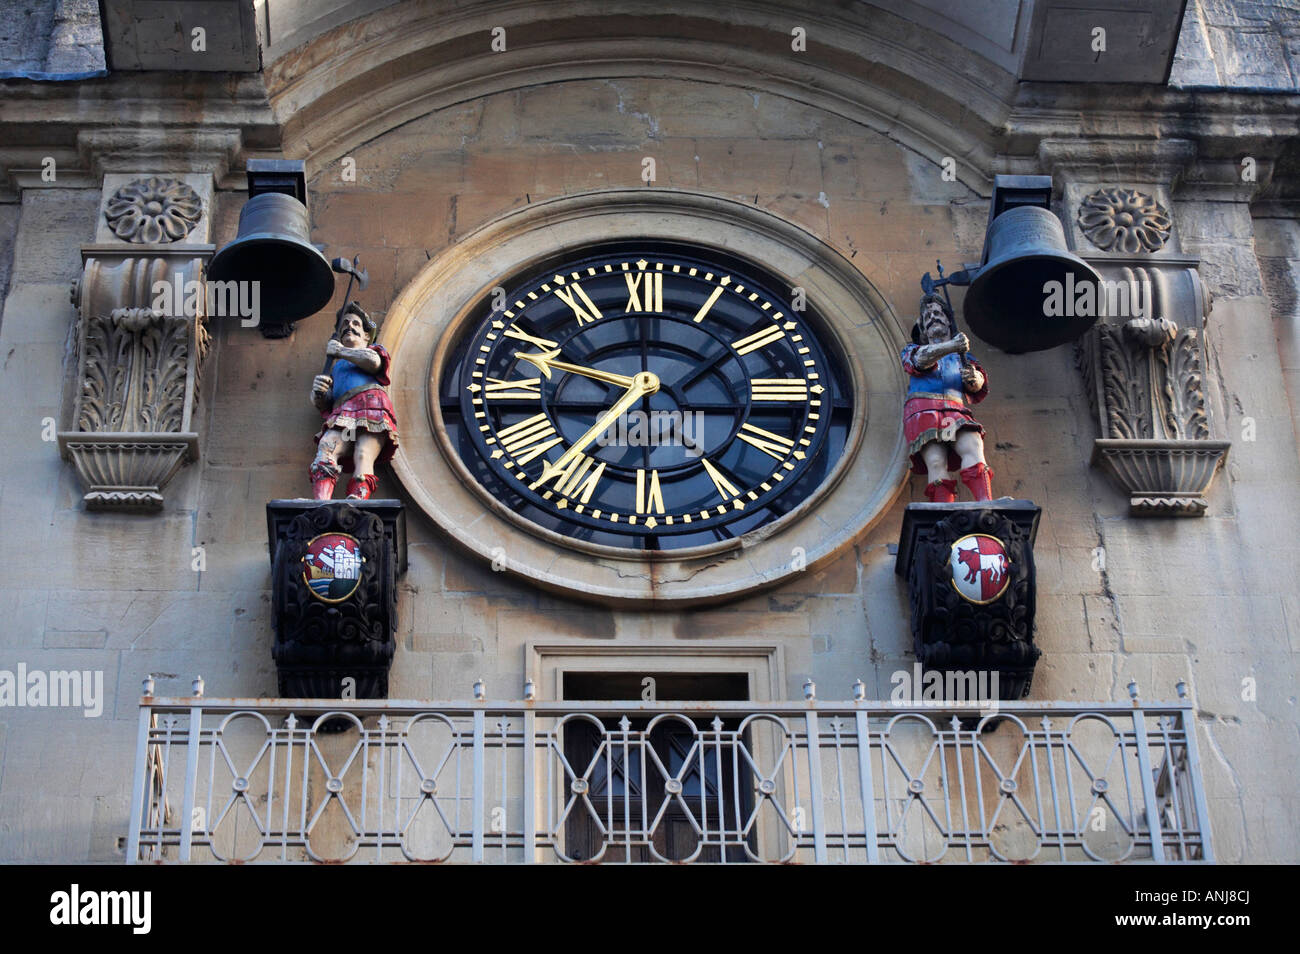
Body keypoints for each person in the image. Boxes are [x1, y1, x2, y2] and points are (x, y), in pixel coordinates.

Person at [900, 293, 993, 502]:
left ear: (948, 321)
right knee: (935, 460)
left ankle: (986, 502)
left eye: (938, 313)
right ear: (923, 329)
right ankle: (944, 507)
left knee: (972, 444)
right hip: (923, 408)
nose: (933, 317)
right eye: (928, 316)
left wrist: (974, 378)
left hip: (954, 406)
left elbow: (976, 385)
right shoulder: (913, 350)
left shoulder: (964, 357)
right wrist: (952, 346)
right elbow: (921, 362)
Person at [308, 303, 398, 500]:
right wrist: (319, 394)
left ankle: (358, 499)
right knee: (327, 447)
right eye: (345, 324)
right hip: (343, 410)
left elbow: (373, 362)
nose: (350, 326)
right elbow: (327, 401)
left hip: (370, 404)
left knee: (363, 454)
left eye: (356, 323)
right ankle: (321, 502)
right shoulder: (337, 367)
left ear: (367, 335)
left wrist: (340, 351)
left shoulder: (373, 351)